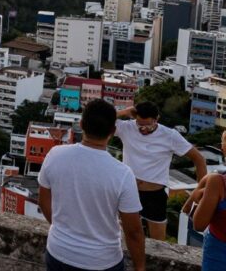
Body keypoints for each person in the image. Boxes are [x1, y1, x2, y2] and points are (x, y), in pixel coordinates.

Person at [39, 99, 145, 271]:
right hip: (102, 261)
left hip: (59, 253)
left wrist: (63, 231)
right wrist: (140, 267)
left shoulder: (55, 155)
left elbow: (43, 202)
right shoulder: (122, 174)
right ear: (113, 131)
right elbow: (133, 232)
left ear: (81, 124)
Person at [115, 101, 207, 240]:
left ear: (156, 119)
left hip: (155, 195)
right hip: (129, 190)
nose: (143, 129)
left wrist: (201, 191)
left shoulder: (169, 135)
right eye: (140, 125)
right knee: (126, 236)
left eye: (148, 125)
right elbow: (95, 119)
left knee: (158, 242)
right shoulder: (127, 127)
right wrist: (124, 112)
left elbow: (199, 159)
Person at [182, 129, 226, 271]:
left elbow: (198, 224)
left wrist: (199, 194)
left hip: (219, 256)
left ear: (223, 148)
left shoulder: (216, 181)